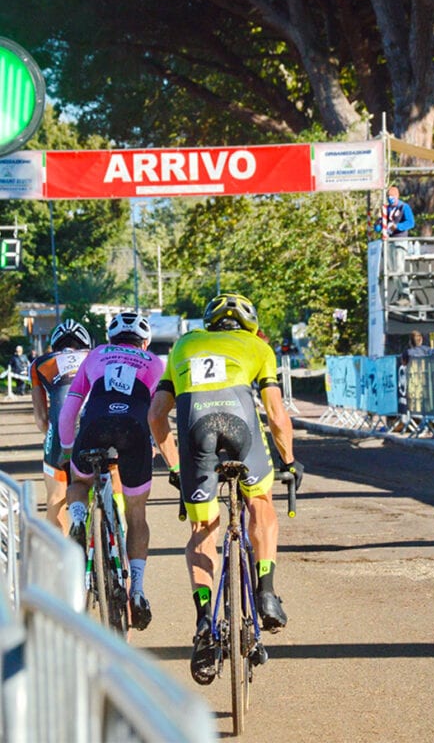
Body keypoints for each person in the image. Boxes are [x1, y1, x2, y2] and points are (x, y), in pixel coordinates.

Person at [148, 292, 303, 686]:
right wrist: (288, 462)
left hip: (196, 433)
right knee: (261, 502)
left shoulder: (184, 344)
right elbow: (276, 415)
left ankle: (204, 623)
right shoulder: (257, 346)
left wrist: (177, 466)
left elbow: (156, 415)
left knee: (203, 531)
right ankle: (266, 591)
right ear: (248, 322)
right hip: (241, 429)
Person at [58, 312, 164, 631]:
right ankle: (138, 590)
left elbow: (69, 409)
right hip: (133, 431)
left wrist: (66, 449)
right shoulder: (154, 363)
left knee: (79, 482)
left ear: (109, 339)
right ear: (144, 342)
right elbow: (158, 413)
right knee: (136, 514)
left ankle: (78, 518)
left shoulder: (96, 355)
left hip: (95, 426)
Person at [30, 320, 91, 533]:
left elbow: (41, 419)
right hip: (98, 428)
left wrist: (54, 434)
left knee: (56, 499)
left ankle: (64, 558)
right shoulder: (96, 357)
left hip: (59, 433)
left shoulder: (40, 363)